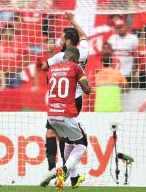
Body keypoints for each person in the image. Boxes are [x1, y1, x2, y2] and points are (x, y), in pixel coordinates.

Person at [40, 11, 89, 187]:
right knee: (70, 139)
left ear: (67, 42)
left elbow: (44, 66)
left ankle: (54, 168)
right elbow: (83, 35)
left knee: (54, 134)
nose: (59, 42)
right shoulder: (83, 53)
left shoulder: (60, 57)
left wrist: (54, 70)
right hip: (77, 99)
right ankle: (73, 177)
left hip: (62, 101)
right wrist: (72, 20)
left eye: (61, 39)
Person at [46, 47, 91, 189]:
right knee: (82, 143)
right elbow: (87, 90)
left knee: (69, 143)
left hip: (51, 115)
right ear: (76, 59)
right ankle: (64, 171)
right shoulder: (75, 67)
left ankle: (74, 178)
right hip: (66, 113)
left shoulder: (52, 68)